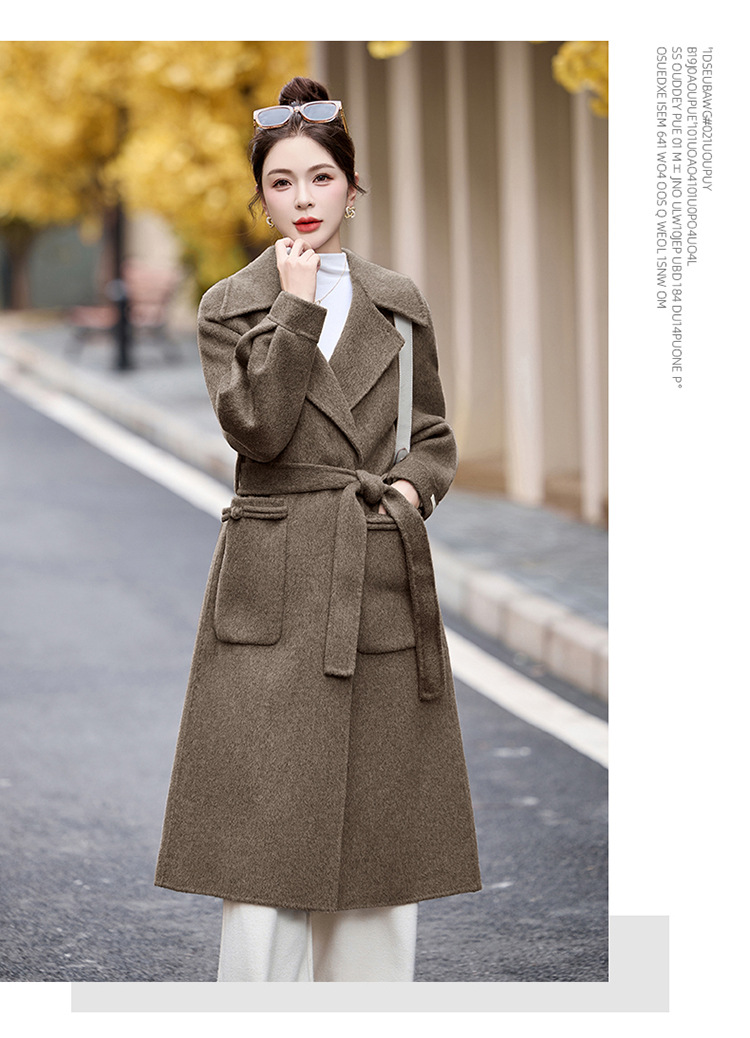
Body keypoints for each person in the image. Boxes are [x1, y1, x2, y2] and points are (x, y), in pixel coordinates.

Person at [154, 76, 482, 983]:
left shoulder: (398, 300)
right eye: (282, 182)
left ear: (352, 185)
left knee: (379, 849)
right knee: (262, 849)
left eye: (321, 178)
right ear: (260, 197)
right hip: (273, 581)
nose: (303, 199)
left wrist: (409, 491)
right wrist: (294, 310)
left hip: (373, 568)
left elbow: (432, 434)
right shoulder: (231, 304)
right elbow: (258, 430)